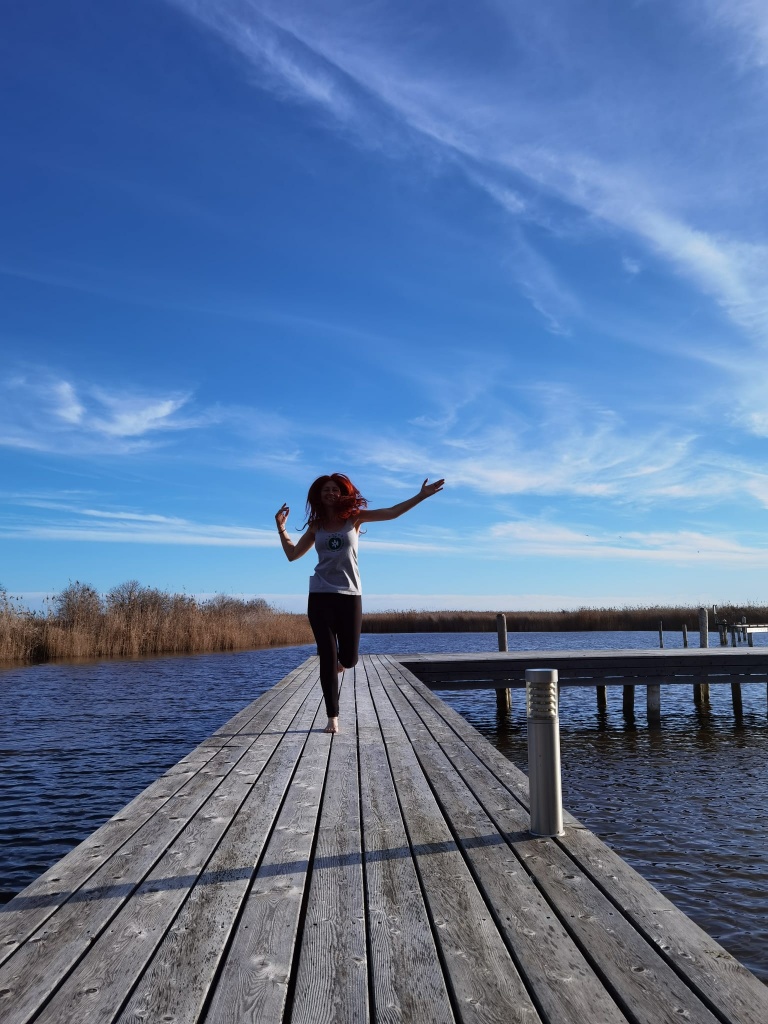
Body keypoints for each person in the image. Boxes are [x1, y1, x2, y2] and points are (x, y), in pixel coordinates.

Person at [275, 474, 444, 734]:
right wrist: (281, 529)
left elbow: (392, 513)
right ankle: (333, 717)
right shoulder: (316, 525)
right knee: (327, 659)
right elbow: (292, 555)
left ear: (342, 493)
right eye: (325, 490)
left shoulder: (354, 518)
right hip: (320, 596)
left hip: (350, 595)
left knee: (350, 658)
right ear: (319, 496)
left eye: (334, 489)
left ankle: (341, 664)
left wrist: (420, 496)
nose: (330, 493)